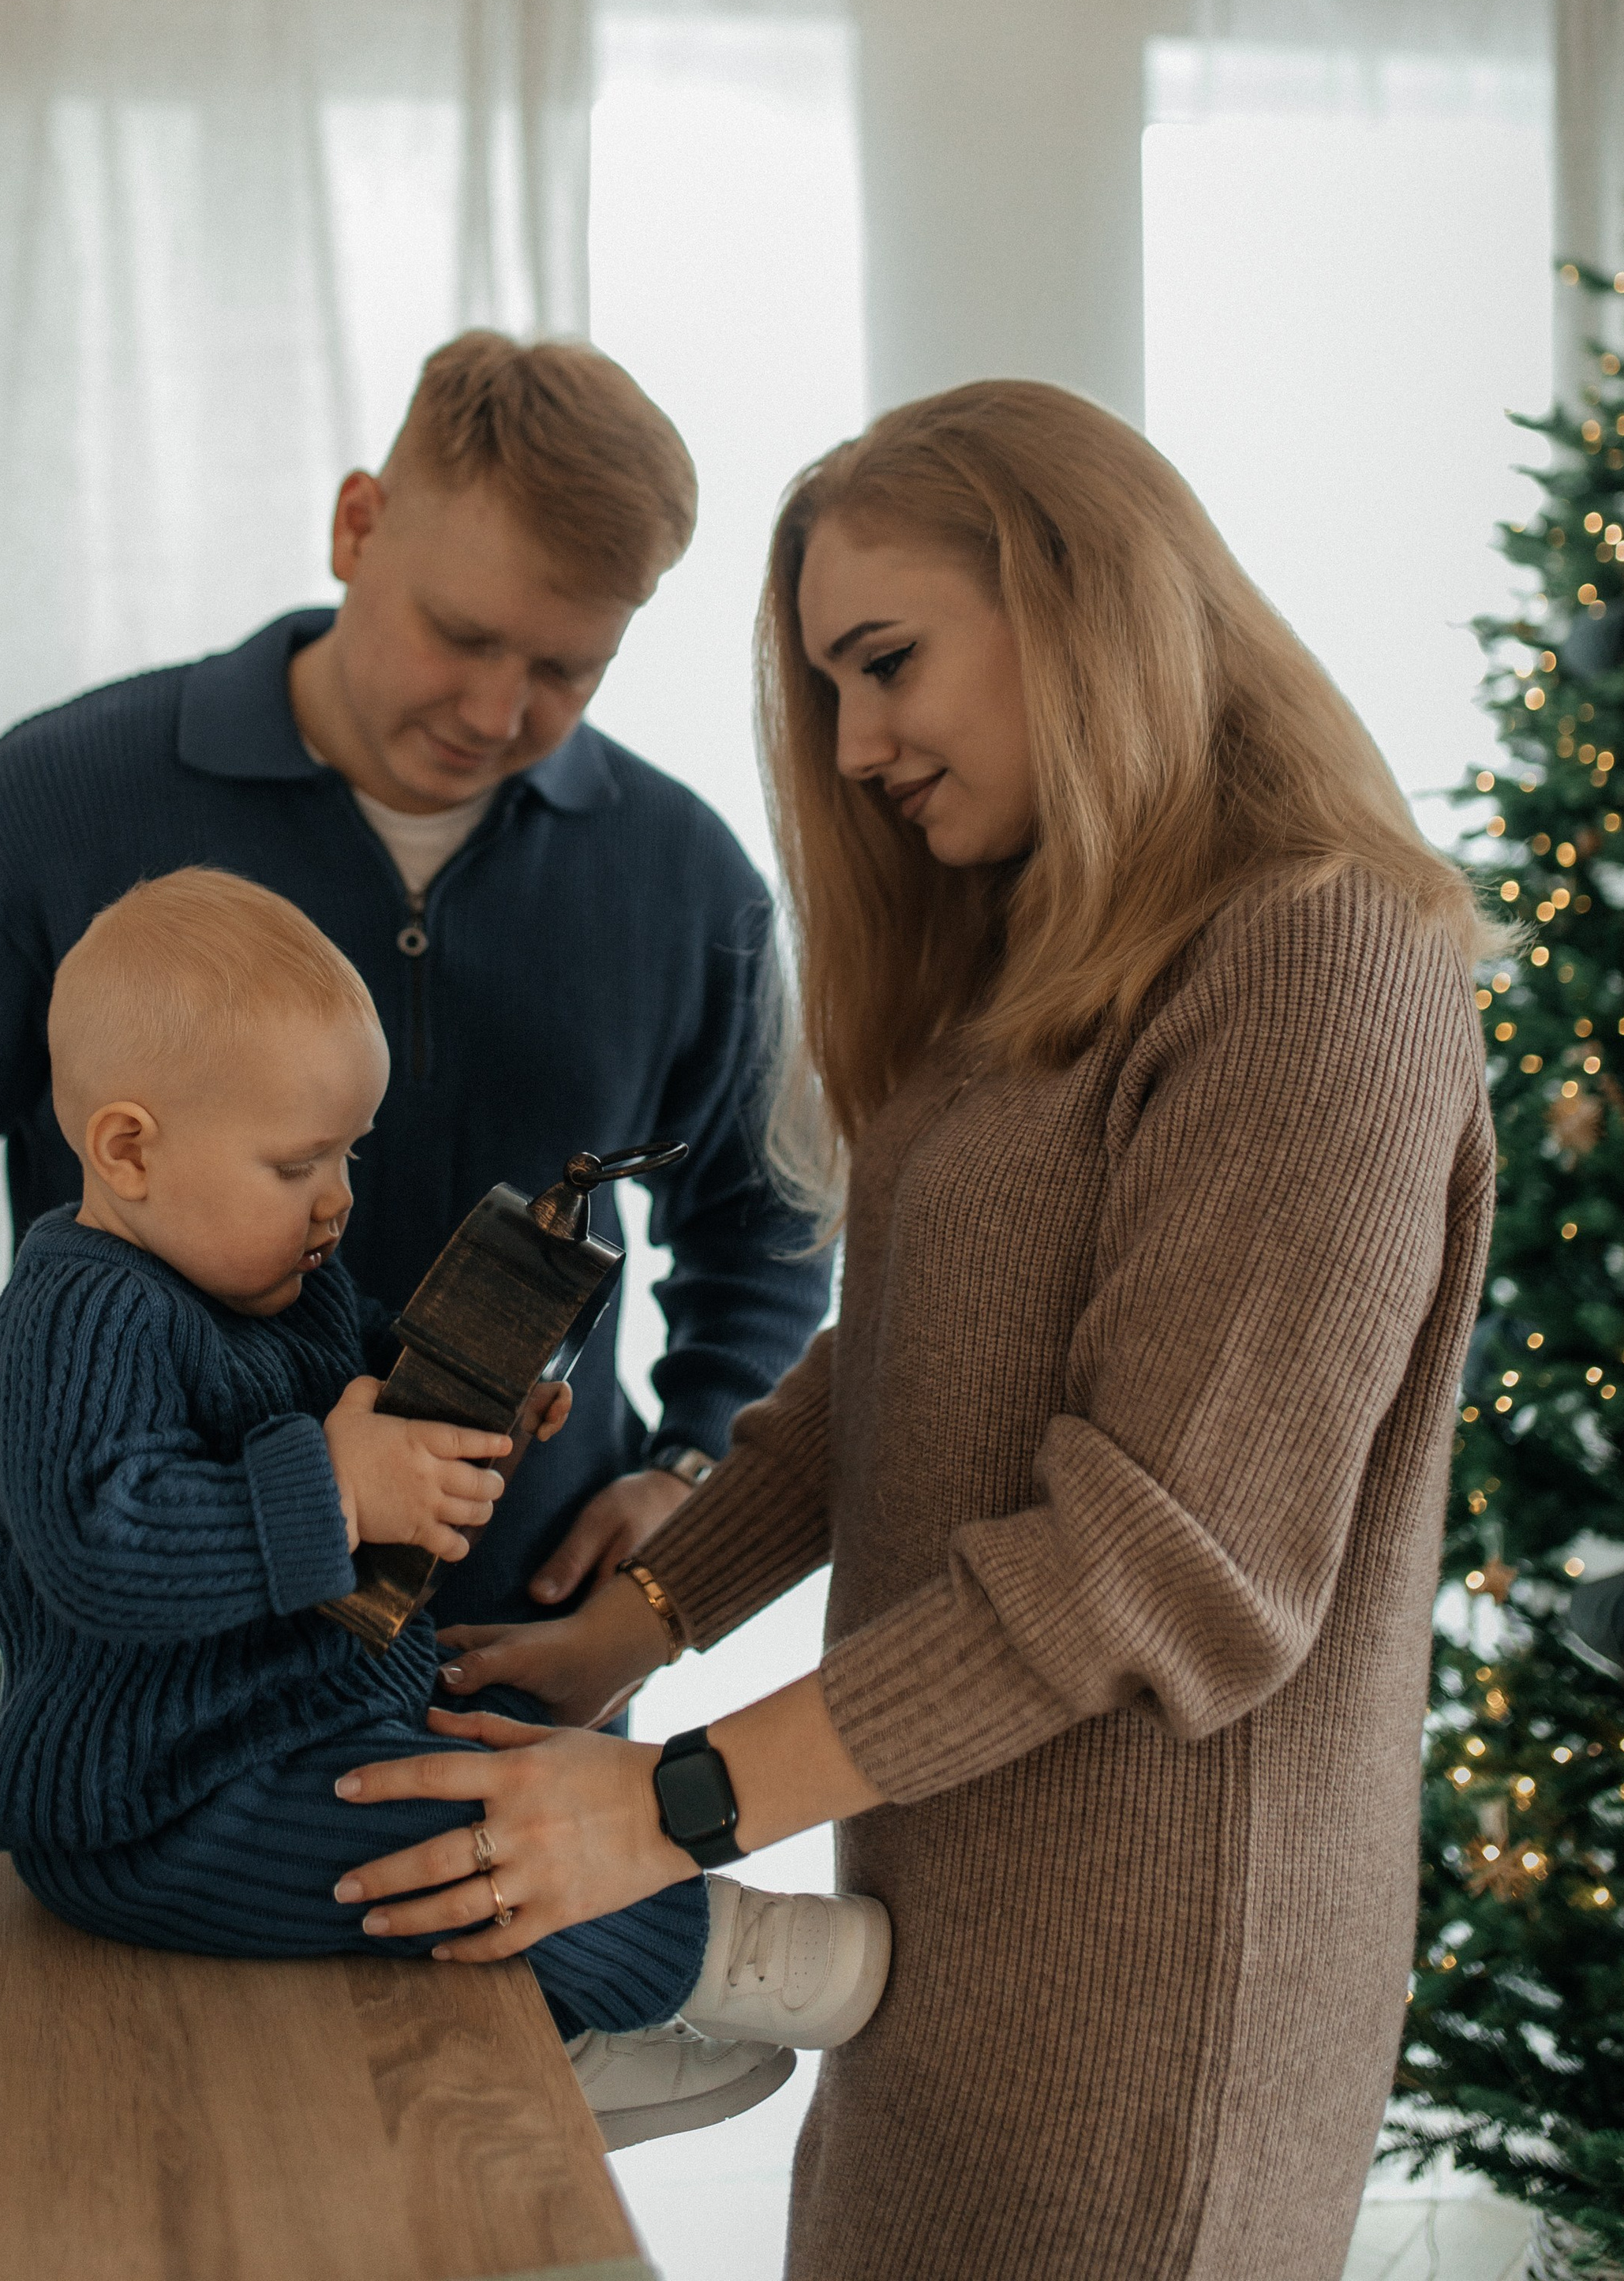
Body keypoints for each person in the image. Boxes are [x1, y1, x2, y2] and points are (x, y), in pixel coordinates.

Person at [324, 380, 1495, 2281]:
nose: (855, 747)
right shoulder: (1037, 959)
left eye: (885, 665)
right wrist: (610, 1641)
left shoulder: (1316, 958)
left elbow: (1153, 1568)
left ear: (1080, 600)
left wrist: (673, 1806)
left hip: (1153, 1999)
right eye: (827, 692)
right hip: (940, 1910)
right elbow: (882, 1385)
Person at [0, 332, 830, 1644]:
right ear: (358, 525)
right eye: (458, 633)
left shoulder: (684, 877)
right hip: (149, 1711)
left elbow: (768, 1220)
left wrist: (694, 1464)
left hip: (527, 1701)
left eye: (566, 668)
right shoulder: (59, 805)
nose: (493, 708)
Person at [0, 867, 888, 2149]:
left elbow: (357, 1387)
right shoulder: (78, 1313)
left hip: (296, 1719)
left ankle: (569, 2024)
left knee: (526, 1757)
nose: (338, 1197)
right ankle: (723, 1956)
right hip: (159, 1802)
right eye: (297, 1163)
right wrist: (334, 1485)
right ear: (128, 1150)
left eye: (348, 1153)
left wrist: (468, 1399)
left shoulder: (280, 1278)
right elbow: (100, 1548)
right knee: (470, 1831)